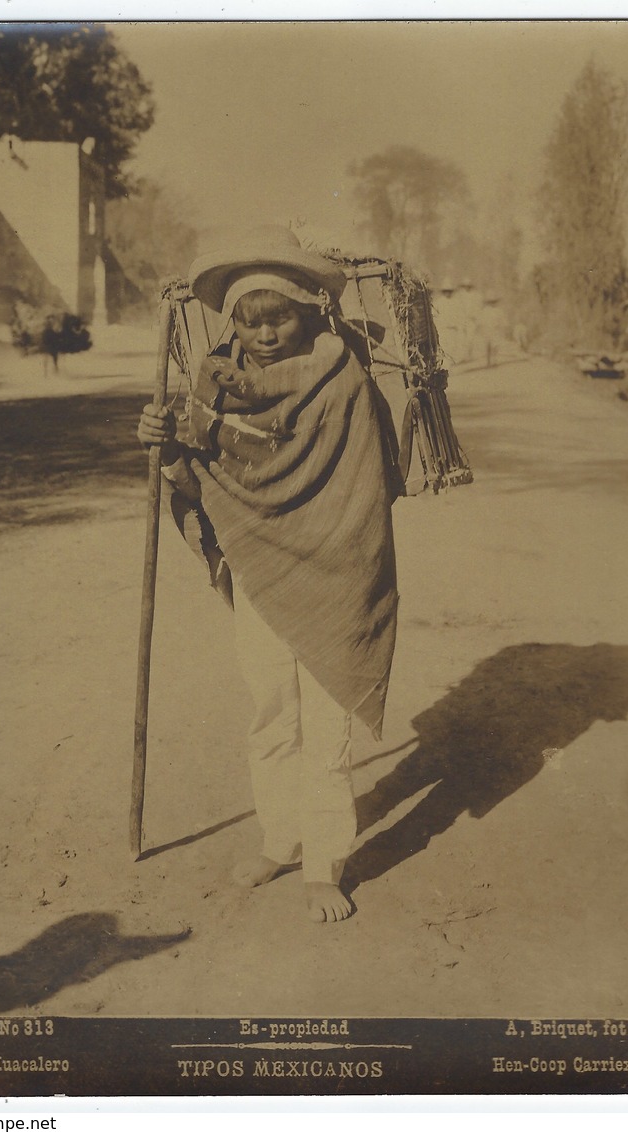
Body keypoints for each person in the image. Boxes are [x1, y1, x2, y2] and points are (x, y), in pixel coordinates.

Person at [137, 226, 399, 923]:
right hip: (260, 570)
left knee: (326, 717)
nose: (263, 334)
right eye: (248, 321)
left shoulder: (343, 379)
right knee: (270, 709)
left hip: (337, 571)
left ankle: (324, 862)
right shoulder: (217, 379)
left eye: (278, 317)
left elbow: (369, 481)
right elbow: (204, 470)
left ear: (310, 311)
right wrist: (165, 446)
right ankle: (280, 837)